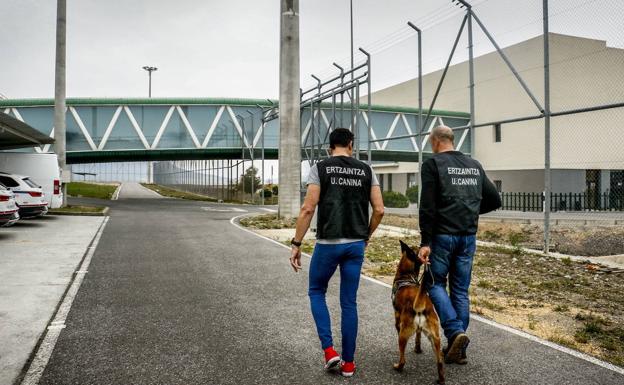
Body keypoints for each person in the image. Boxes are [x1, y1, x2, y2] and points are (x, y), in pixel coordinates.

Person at [289, 128, 385, 377]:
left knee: (316, 291)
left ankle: (330, 352)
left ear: (329, 147)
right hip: (355, 245)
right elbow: (380, 210)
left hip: (329, 244)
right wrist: (366, 235)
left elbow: (308, 209)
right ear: (351, 145)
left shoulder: (320, 168)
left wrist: (296, 243)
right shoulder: (366, 169)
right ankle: (349, 365)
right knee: (348, 302)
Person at [417, 125, 501, 365]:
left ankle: (454, 332)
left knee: (433, 283)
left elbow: (428, 206)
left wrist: (425, 241)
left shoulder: (433, 164)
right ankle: (458, 350)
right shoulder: (474, 165)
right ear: (452, 140)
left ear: (435, 141)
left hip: (443, 236)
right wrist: (471, 209)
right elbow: (494, 199)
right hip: (467, 236)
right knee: (461, 291)